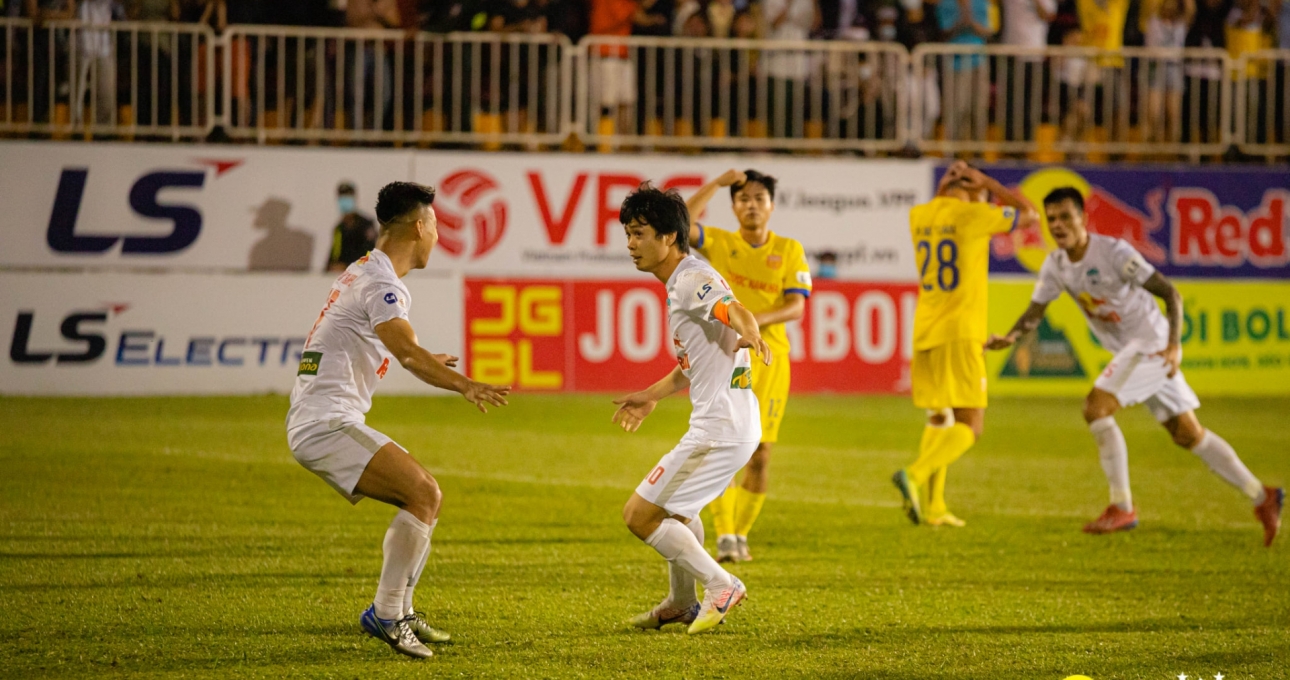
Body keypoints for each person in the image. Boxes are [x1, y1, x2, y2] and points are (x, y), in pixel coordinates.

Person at [285, 182, 512, 659]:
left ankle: (398, 609)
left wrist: (427, 355)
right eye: (435, 225)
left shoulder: (366, 270)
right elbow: (405, 353)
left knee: (426, 498)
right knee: (423, 493)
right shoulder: (382, 283)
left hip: (322, 417)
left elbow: (392, 342)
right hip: (324, 423)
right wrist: (467, 385)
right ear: (418, 226)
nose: (437, 236)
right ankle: (387, 614)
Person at [986, 187, 1284, 545]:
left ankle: (1122, 506)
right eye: (1051, 219)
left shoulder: (1113, 252)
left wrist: (1173, 346)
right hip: (1134, 350)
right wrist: (1011, 336)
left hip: (1152, 345)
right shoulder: (1056, 265)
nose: (1058, 225)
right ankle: (1263, 496)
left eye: (1066, 216)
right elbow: (1036, 311)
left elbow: (1169, 293)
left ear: (1084, 218)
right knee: (1188, 434)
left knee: (1096, 407)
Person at [612, 182, 770, 634]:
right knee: (679, 514)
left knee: (640, 516)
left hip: (718, 430)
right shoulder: (685, 278)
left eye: (640, 233)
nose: (630, 244)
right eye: (628, 234)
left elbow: (731, 309)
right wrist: (650, 396)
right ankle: (681, 603)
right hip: (731, 425)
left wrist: (752, 330)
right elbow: (693, 366)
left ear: (669, 238)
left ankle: (722, 586)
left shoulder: (689, 279)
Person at [892, 161, 1039, 527]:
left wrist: (953, 182)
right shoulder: (976, 215)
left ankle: (936, 507)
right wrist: (989, 181)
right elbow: (1030, 215)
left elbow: (945, 199)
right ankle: (914, 473)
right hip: (961, 330)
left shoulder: (920, 214)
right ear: (975, 192)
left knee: (940, 417)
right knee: (971, 424)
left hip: (926, 328)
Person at [685, 169, 811, 563]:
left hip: (771, 360)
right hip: (727, 355)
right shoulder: (721, 242)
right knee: (724, 446)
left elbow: (797, 304)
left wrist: (753, 320)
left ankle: (741, 533)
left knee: (761, 454)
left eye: (759, 198)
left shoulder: (789, 249)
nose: (751, 205)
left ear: (771, 205)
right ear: (733, 206)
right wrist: (717, 183)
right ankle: (725, 536)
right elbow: (680, 223)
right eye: (742, 199)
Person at [327, 182, 379, 272]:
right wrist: (329, 268)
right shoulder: (339, 228)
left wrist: (347, 266)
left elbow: (371, 254)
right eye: (342, 197)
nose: (344, 201)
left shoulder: (366, 225)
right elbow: (334, 255)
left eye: (348, 197)